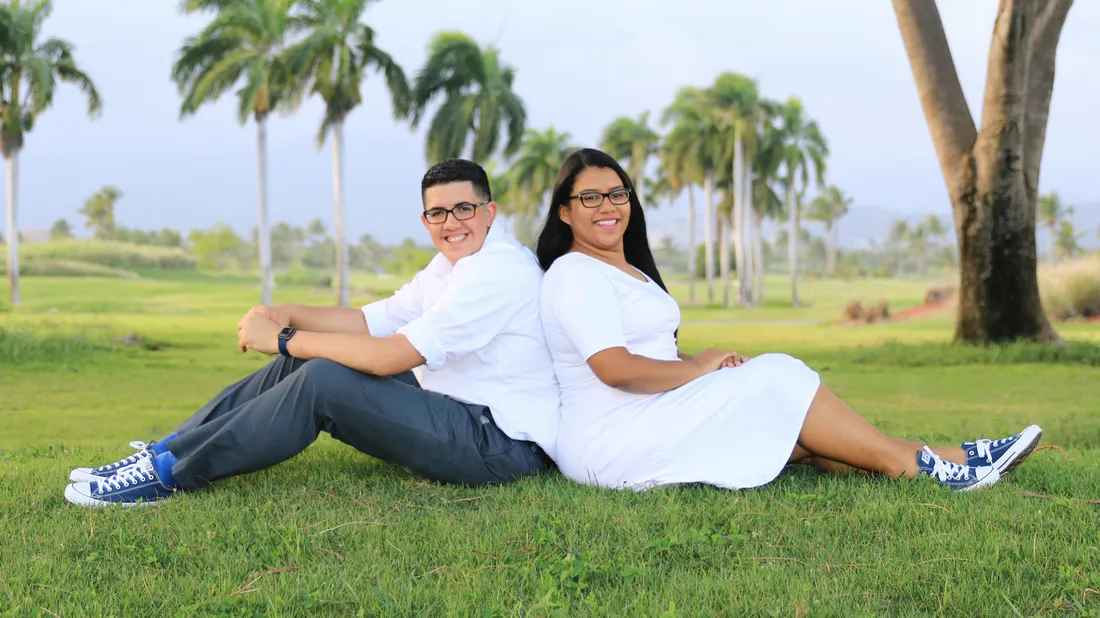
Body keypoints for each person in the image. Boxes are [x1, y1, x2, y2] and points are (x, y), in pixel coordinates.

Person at [534, 147, 1042, 493]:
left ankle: (961, 457)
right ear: (564, 213)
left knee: (795, 426)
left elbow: (653, 352)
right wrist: (699, 369)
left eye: (616, 193)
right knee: (778, 377)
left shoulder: (628, 273)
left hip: (651, 414)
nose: (607, 206)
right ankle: (913, 465)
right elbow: (615, 368)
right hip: (612, 439)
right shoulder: (575, 274)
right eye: (589, 198)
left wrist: (708, 365)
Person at [65, 159, 561, 507]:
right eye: (438, 213)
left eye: (464, 209)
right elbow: (372, 320)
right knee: (308, 362)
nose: (451, 222)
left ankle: (169, 476)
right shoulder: (451, 263)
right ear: (425, 219)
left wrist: (282, 339)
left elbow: (391, 356)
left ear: (489, 212)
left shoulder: (497, 271)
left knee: (325, 378)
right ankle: (165, 450)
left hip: (502, 447)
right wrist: (284, 313)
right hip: (460, 413)